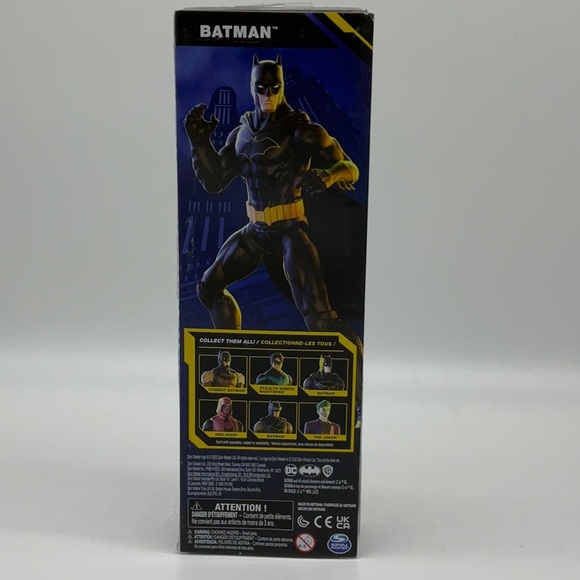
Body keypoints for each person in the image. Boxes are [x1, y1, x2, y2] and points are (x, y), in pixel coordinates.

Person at [183, 55, 359, 334]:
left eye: (274, 87)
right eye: (262, 87)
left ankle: (347, 359)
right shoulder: (240, 135)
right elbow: (214, 182)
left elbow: (349, 168)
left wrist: (329, 175)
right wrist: (199, 142)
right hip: (255, 230)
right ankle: (230, 346)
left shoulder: (301, 131)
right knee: (208, 289)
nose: (268, 94)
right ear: (253, 87)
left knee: (320, 316)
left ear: (282, 87)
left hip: (290, 229)